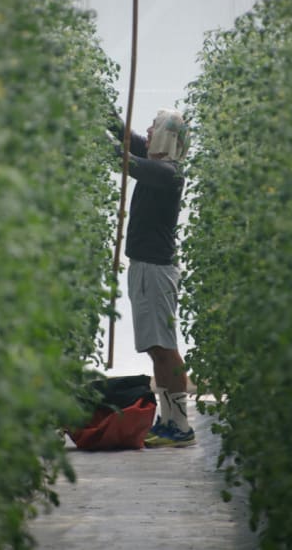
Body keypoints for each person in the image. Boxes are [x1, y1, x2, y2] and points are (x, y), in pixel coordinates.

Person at [108, 107, 194, 448]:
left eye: (154, 126)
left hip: (157, 271)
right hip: (146, 267)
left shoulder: (168, 172)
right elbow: (125, 138)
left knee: (166, 347)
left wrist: (103, 142)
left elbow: (124, 158)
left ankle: (182, 426)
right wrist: (99, 108)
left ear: (166, 136)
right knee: (158, 349)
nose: (148, 129)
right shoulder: (157, 160)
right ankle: (169, 421)